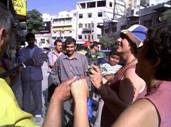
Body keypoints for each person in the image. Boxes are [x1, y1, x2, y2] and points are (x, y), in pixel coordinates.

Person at [112, 25, 171, 127]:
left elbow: (124, 110)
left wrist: (80, 99)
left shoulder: (144, 109)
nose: (138, 56)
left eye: (142, 50)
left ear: (155, 61)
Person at [90, 24, 147, 127]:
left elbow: (124, 113)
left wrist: (101, 87)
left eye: (124, 37)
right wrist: (101, 78)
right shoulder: (127, 66)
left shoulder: (131, 72)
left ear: (134, 44)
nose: (118, 40)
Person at [0, 7, 36, 126]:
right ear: (2, 36)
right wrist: (57, 99)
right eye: (9, 36)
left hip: (36, 78)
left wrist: (13, 76)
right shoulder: (4, 100)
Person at [50, 37, 89, 126]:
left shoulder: (83, 58)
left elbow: (87, 75)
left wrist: (87, 89)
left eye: (71, 47)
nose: (69, 49)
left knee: (80, 115)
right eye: (67, 47)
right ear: (65, 47)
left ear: (75, 47)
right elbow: (53, 73)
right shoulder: (61, 59)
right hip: (66, 93)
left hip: (80, 91)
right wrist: (59, 85)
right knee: (67, 117)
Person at [18, 33, 44, 119]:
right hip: (25, 77)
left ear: (34, 39)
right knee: (26, 95)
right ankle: (26, 111)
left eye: (32, 39)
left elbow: (40, 62)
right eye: (29, 39)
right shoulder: (22, 51)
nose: (31, 41)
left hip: (36, 77)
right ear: (26, 41)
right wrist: (31, 61)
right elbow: (21, 62)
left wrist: (31, 61)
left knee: (37, 95)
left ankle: (38, 111)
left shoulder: (40, 50)